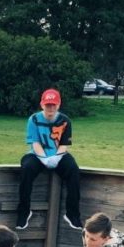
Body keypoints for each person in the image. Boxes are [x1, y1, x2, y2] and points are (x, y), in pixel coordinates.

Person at [16, 88, 83, 231]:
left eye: (53, 104)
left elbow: (64, 144)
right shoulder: (33, 119)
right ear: (42, 105)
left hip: (59, 154)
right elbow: (35, 143)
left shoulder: (65, 120)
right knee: (27, 168)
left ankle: (72, 214)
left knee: (73, 170)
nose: (50, 108)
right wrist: (45, 159)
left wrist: (57, 158)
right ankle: (24, 211)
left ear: (58, 105)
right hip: (38, 155)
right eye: (47, 105)